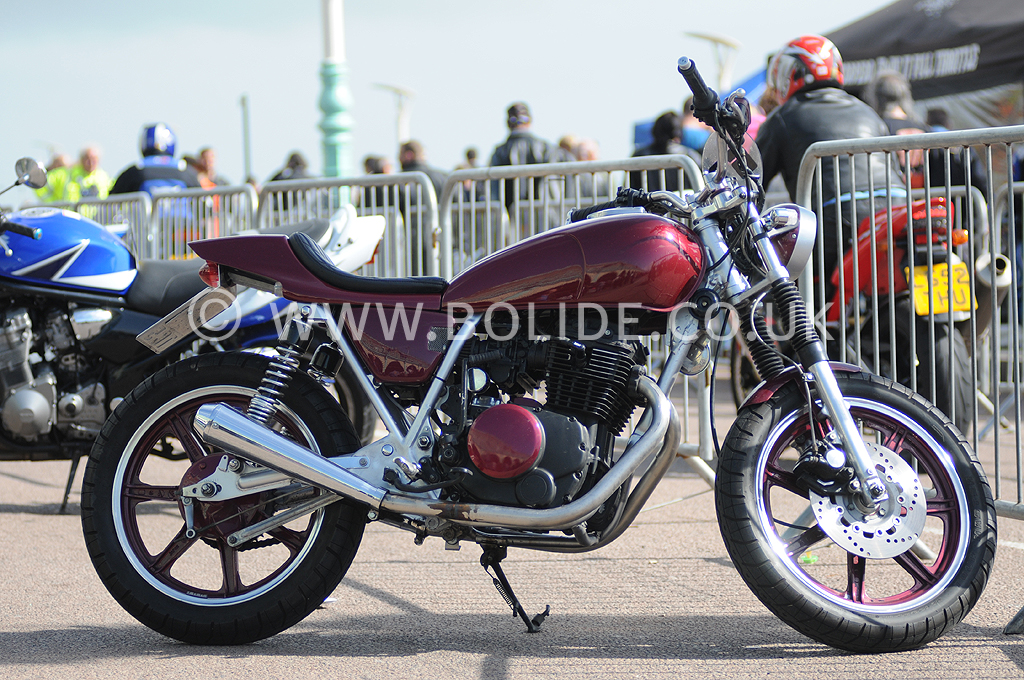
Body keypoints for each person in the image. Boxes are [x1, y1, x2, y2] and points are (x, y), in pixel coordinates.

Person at [755, 35, 898, 281]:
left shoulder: (782, 118)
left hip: (837, 217)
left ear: (788, 74)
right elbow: (893, 165)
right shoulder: (867, 110)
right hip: (895, 205)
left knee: (791, 288)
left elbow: (753, 179)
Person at [489, 101, 555, 208]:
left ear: (508, 123)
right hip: (542, 211)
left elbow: (494, 190)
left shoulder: (500, 151)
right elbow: (552, 187)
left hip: (509, 213)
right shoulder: (545, 148)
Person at [110, 123, 201, 196]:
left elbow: (111, 200)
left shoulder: (137, 170)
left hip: (147, 215)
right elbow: (203, 203)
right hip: (180, 215)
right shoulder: (185, 170)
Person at [629, 110, 695, 192]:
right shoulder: (689, 157)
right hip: (682, 200)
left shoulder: (638, 157)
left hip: (648, 200)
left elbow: (629, 191)